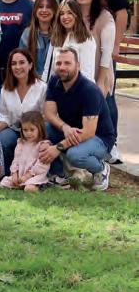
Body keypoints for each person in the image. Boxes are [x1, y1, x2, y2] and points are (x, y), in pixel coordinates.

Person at [40, 48, 115, 191]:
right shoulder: (55, 81)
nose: (62, 67)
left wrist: (57, 147)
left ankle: (101, 168)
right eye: (59, 63)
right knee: (42, 130)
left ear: (78, 65)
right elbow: (49, 113)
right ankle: (59, 175)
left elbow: (88, 132)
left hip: (99, 138)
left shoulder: (89, 90)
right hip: (72, 130)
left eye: (67, 63)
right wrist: (65, 127)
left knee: (74, 155)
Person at [0, 48, 47, 169]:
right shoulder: (5, 89)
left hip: (35, 131)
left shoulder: (41, 87)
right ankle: (9, 172)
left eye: (22, 62)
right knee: (1, 140)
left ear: (30, 65)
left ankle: (36, 172)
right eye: (13, 64)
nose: (17, 67)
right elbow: (5, 116)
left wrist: (33, 131)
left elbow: (45, 116)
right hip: (15, 130)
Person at [0, 111, 50, 192]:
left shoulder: (43, 145)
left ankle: (42, 187)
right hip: (20, 175)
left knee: (29, 188)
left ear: (40, 129)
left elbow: (41, 165)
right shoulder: (21, 143)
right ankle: (20, 185)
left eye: (32, 130)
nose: (28, 133)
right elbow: (15, 160)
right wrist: (14, 174)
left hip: (34, 176)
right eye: (25, 130)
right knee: (3, 183)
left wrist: (27, 176)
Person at [51, 0, 96, 81]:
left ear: (77, 15)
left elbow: (87, 73)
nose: (65, 17)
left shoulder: (86, 39)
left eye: (69, 13)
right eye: (62, 13)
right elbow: (49, 68)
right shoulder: (56, 37)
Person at [19, 0, 58, 80]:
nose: (44, 10)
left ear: (55, 11)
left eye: (48, 7)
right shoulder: (27, 34)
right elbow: (21, 62)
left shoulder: (61, 34)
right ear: (35, 11)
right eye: (40, 7)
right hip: (33, 82)